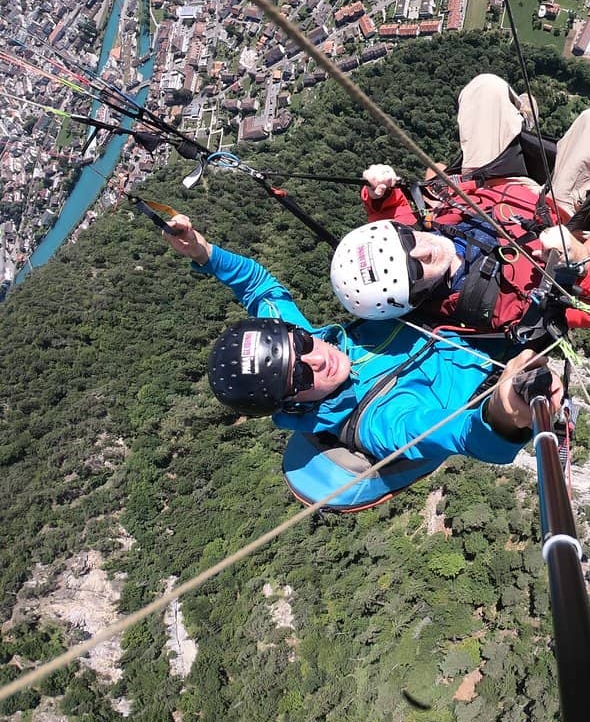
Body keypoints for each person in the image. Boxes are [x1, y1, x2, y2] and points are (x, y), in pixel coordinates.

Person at [162, 213, 564, 511]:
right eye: (300, 374)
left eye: (301, 340)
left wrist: (202, 251)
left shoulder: (311, 346)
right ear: (291, 406)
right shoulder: (378, 423)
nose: (317, 356)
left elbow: (257, 286)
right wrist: (505, 411)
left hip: (449, 308)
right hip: (503, 338)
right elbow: (460, 435)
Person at [330, 73, 590, 333]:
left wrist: (380, 194)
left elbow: (398, 215)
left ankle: (518, 123)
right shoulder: (487, 303)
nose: (422, 251)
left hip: (489, 187)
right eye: (415, 271)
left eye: (405, 241)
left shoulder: (411, 234)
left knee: (485, 90)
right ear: (417, 297)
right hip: (548, 221)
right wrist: (579, 262)